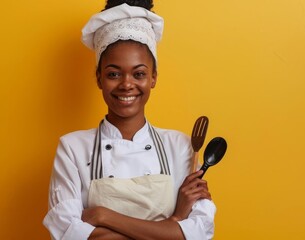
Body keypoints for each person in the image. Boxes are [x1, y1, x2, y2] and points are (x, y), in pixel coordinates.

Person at [43, 1, 216, 239]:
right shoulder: (72, 148)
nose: (126, 84)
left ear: (153, 78)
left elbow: (198, 233)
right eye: (114, 73)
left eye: (139, 74)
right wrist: (173, 223)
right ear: (99, 78)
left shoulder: (182, 147)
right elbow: (67, 233)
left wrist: (104, 216)